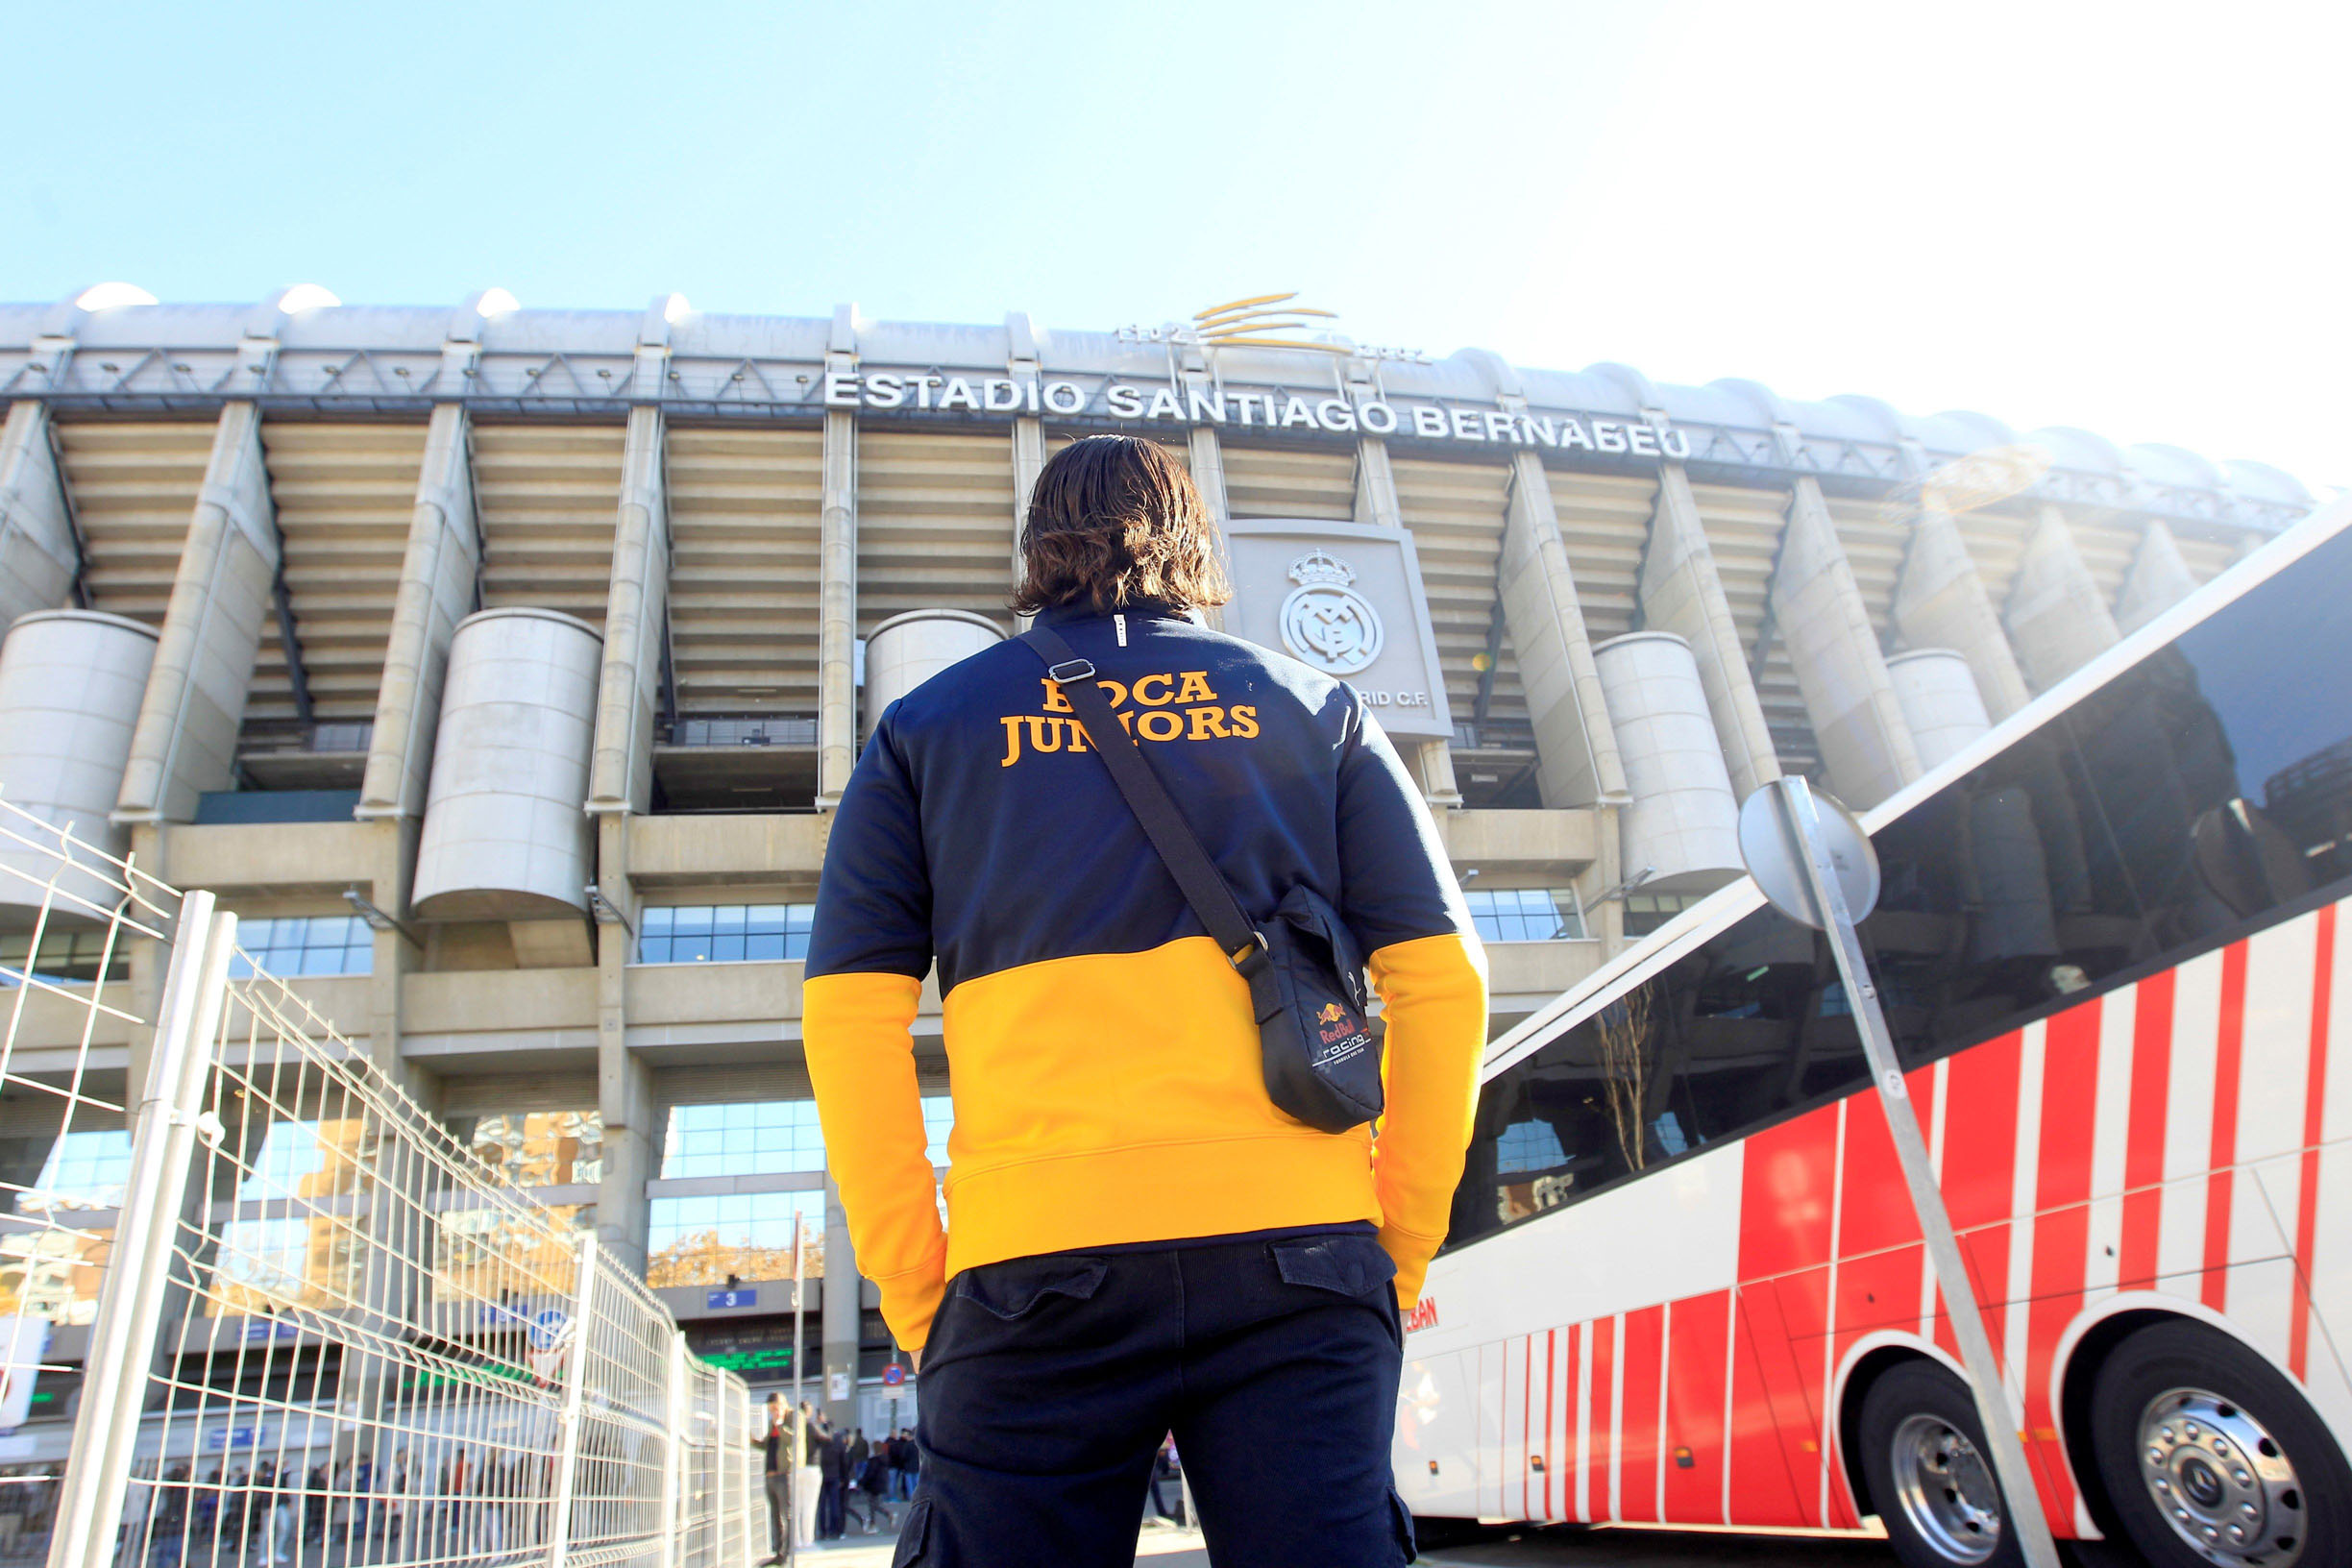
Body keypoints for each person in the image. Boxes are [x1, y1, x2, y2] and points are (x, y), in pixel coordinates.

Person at [806, 435, 1486, 1568]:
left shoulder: (925, 730)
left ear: (1035, 553)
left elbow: (847, 1020)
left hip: (1031, 1269)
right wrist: (1395, 1244)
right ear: (1196, 544)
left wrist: (924, 1292)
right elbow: (1443, 982)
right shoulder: (1316, 704)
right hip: (1303, 1254)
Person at [760, 1391, 794, 1565]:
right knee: (775, 1516)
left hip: (783, 1475)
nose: (773, 1412)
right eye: (770, 1409)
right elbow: (767, 1445)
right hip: (770, 1475)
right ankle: (778, 1552)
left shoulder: (790, 1418)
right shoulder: (771, 1423)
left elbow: (792, 1439)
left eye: (775, 1408)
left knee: (786, 1514)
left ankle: (787, 1552)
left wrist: (779, 1424)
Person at [817, 1431, 848, 1541]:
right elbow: (843, 1461)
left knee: (822, 1505)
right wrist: (844, 1478)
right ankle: (834, 1530)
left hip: (822, 1476)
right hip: (835, 1476)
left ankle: (822, 1531)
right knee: (834, 1504)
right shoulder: (838, 1443)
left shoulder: (820, 1444)